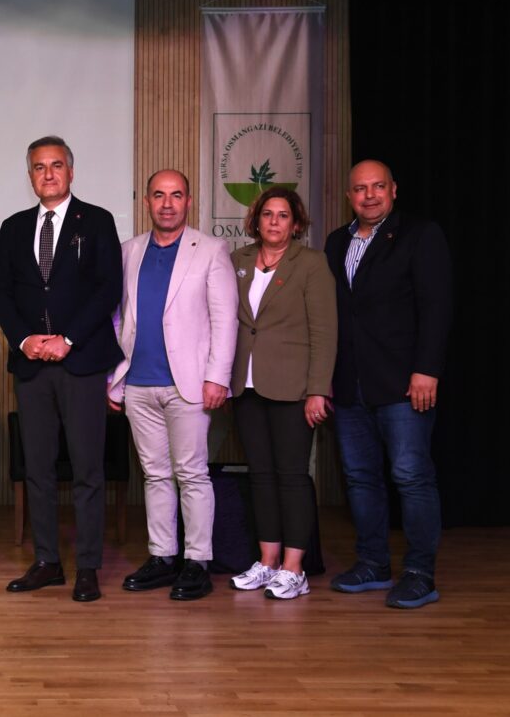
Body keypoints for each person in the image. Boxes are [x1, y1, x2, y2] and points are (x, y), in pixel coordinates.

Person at [0, 135, 123, 602]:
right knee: (38, 469)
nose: (48, 174)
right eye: (39, 167)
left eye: (56, 165)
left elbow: (109, 288)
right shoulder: (13, 227)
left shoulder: (98, 221)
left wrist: (68, 339)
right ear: (30, 175)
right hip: (31, 366)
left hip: (81, 361)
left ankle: (87, 566)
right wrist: (25, 339)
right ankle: (47, 561)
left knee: (87, 468)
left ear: (71, 171)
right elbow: (1, 290)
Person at [324, 159, 452, 609]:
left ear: (394, 190)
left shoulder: (420, 235)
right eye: (361, 189)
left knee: (411, 476)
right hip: (348, 382)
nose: (370, 196)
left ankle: (419, 573)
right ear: (349, 196)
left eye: (378, 186)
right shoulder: (336, 242)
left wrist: (427, 369)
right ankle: (373, 564)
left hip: (403, 382)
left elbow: (436, 306)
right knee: (360, 478)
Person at [108, 169, 237, 601]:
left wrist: (217, 377)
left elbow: (225, 320)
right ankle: (162, 556)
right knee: (155, 475)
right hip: (137, 384)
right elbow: (117, 317)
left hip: (190, 385)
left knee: (192, 474)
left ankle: (197, 561)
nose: (167, 204)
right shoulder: (129, 251)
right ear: (146, 201)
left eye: (176, 195)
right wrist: (114, 378)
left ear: (188, 201)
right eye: (159, 195)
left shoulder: (212, 250)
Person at [226, 187, 337, 601]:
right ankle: (268, 561)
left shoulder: (311, 263)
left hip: (294, 388)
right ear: (256, 220)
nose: (274, 221)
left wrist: (318, 390)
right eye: (267, 214)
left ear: (296, 223)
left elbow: (324, 332)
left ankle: (294, 568)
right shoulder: (237, 261)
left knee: (291, 476)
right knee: (260, 475)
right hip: (246, 386)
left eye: (283, 215)